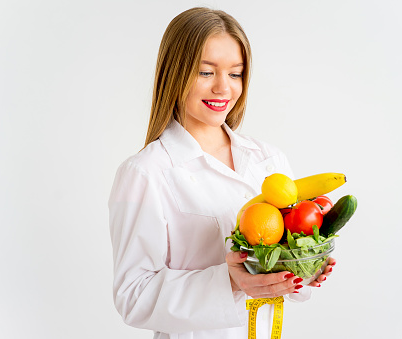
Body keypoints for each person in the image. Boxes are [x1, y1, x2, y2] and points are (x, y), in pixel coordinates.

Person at [108, 7, 336, 339]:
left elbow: (289, 283)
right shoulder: (145, 173)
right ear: (175, 73)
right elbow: (133, 296)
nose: (223, 88)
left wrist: (304, 266)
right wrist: (228, 281)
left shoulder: (269, 160)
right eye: (205, 72)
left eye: (235, 73)